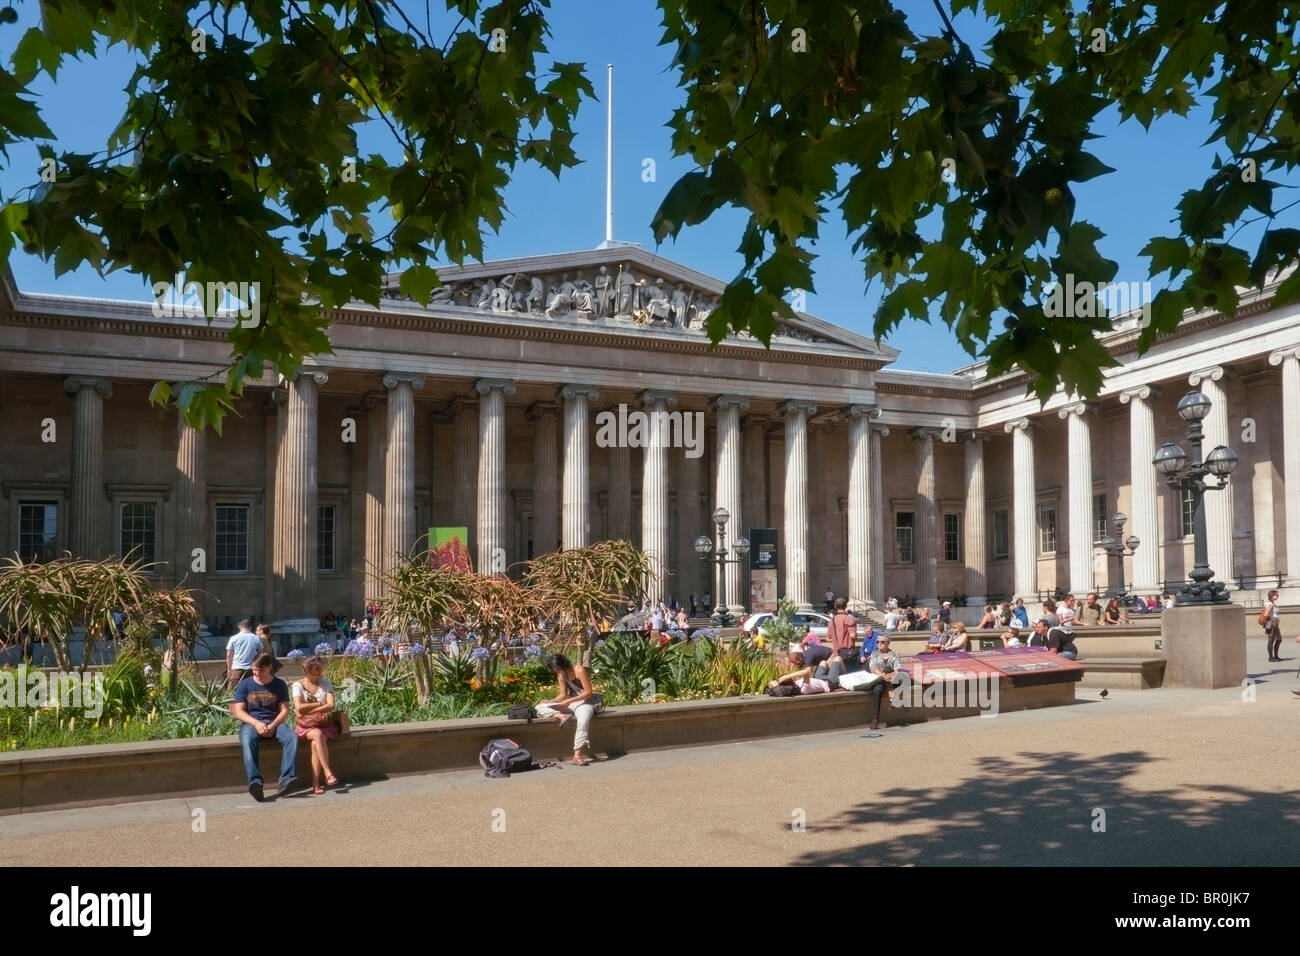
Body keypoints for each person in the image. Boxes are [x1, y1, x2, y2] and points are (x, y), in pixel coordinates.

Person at [229, 653, 297, 802]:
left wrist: (273, 725)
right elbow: (239, 711)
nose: (257, 673)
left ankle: (286, 779)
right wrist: (256, 723)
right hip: (251, 722)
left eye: (261, 670)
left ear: (269, 667)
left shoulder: (279, 685)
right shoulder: (245, 684)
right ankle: (255, 782)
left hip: (275, 722)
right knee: (247, 739)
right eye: (254, 670)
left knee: (291, 736)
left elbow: (285, 710)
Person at [535, 654, 598, 765]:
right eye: (555, 670)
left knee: (583, 720)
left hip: (586, 702)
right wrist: (549, 702)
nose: (557, 672)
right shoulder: (560, 675)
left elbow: (589, 693)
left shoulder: (579, 670)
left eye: (558, 669)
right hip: (571, 702)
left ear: (564, 664)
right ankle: (561, 716)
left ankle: (577, 754)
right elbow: (562, 695)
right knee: (539, 707)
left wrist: (569, 701)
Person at [291, 656, 341, 795]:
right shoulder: (298, 685)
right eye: (315, 670)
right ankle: (327, 772)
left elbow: (331, 705)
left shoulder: (325, 683)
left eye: (320, 669)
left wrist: (311, 709)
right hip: (305, 726)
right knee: (317, 735)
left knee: (316, 741)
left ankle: (316, 784)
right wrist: (320, 704)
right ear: (306, 670)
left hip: (324, 725)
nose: (318, 673)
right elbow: (299, 707)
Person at [866, 634, 903, 731]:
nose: (879, 644)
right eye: (878, 642)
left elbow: (897, 668)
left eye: (882, 642)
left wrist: (893, 675)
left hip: (893, 680)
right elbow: (873, 668)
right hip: (879, 679)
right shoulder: (875, 653)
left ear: (888, 643)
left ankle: (875, 720)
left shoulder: (894, 653)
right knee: (877, 690)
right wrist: (883, 676)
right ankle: (876, 719)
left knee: (887, 669)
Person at [225, 618, 262, 690]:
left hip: (236, 669)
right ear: (250, 627)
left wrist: (229, 669)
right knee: (251, 692)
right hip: (251, 669)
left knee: (232, 693)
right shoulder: (256, 638)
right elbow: (260, 654)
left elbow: (229, 655)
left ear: (240, 627)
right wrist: (253, 662)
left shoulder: (233, 638)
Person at [826, 596, 858, 671]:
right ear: (846, 606)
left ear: (835, 606)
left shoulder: (832, 621)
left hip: (836, 655)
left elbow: (828, 638)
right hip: (848, 655)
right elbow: (853, 636)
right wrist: (856, 635)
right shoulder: (849, 619)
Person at [1263, 589, 1283, 661]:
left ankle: (1275, 656)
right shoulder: (1270, 604)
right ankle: (1271, 657)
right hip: (1272, 623)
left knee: (1278, 639)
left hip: (1274, 623)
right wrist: (1272, 620)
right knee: (1271, 640)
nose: (1278, 596)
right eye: (1276, 595)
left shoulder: (1272, 604)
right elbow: (1266, 614)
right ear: (1272, 595)